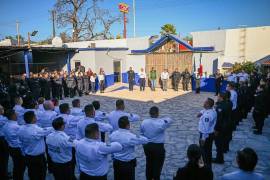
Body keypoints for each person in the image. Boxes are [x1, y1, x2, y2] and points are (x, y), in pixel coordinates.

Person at [18, 111, 53, 180]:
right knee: (41, 174)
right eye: (35, 116)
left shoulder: (21, 129)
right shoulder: (36, 130)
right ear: (33, 118)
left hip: (28, 155)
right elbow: (47, 130)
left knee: (32, 173)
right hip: (38, 157)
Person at [140, 106, 172, 180]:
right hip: (158, 147)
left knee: (148, 164)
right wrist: (163, 119)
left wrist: (143, 145)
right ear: (158, 113)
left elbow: (141, 134)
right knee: (157, 166)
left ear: (149, 113)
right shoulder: (161, 122)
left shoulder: (144, 122)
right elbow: (170, 120)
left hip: (147, 146)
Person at [2, 109, 26, 180]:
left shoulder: (6, 125)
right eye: (16, 114)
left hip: (11, 147)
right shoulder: (16, 127)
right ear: (13, 116)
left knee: (16, 165)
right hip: (18, 149)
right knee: (20, 167)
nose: (17, 115)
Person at [197, 98, 217, 169]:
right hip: (210, 134)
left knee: (203, 152)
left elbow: (206, 128)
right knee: (208, 151)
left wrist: (203, 138)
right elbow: (204, 111)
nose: (203, 103)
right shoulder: (212, 110)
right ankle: (208, 165)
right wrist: (201, 112)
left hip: (205, 135)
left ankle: (203, 167)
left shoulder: (207, 116)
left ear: (208, 104)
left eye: (205, 102)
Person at [213, 93, 229, 164]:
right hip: (226, 126)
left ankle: (219, 159)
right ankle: (220, 157)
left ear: (221, 97)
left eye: (218, 96)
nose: (217, 97)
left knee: (218, 144)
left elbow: (219, 120)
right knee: (221, 143)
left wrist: (216, 129)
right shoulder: (228, 103)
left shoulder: (220, 107)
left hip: (220, 128)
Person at [0, 105, 9, 180]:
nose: (3, 110)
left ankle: (4, 172)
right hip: (2, 139)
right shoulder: (3, 119)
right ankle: (4, 174)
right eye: (2, 109)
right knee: (4, 158)